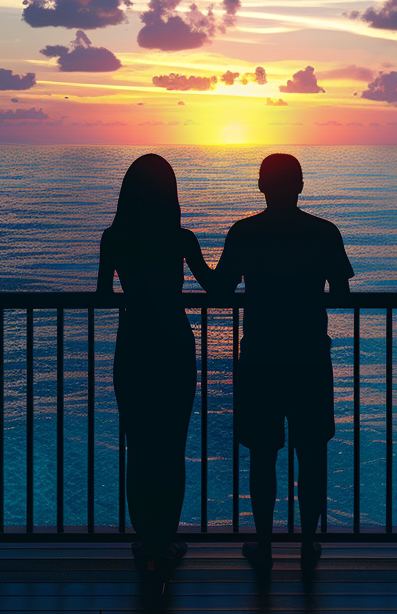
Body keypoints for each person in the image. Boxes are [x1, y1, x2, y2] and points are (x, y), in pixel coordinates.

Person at [188, 153, 353, 571]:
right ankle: (308, 546)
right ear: (300, 185)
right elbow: (341, 294)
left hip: (260, 358)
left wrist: (190, 254)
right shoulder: (324, 232)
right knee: (312, 454)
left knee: (263, 455)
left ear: (261, 186)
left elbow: (221, 290)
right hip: (310, 357)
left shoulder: (244, 233)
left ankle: (264, 546)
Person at [96, 154, 206, 573]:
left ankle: (145, 541)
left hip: (135, 344)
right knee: (171, 447)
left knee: (139, 446)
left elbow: (105, 295)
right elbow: (213, 285)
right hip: (174, 346)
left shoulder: (114, 237)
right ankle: (166, 539)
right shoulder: (181, 239)